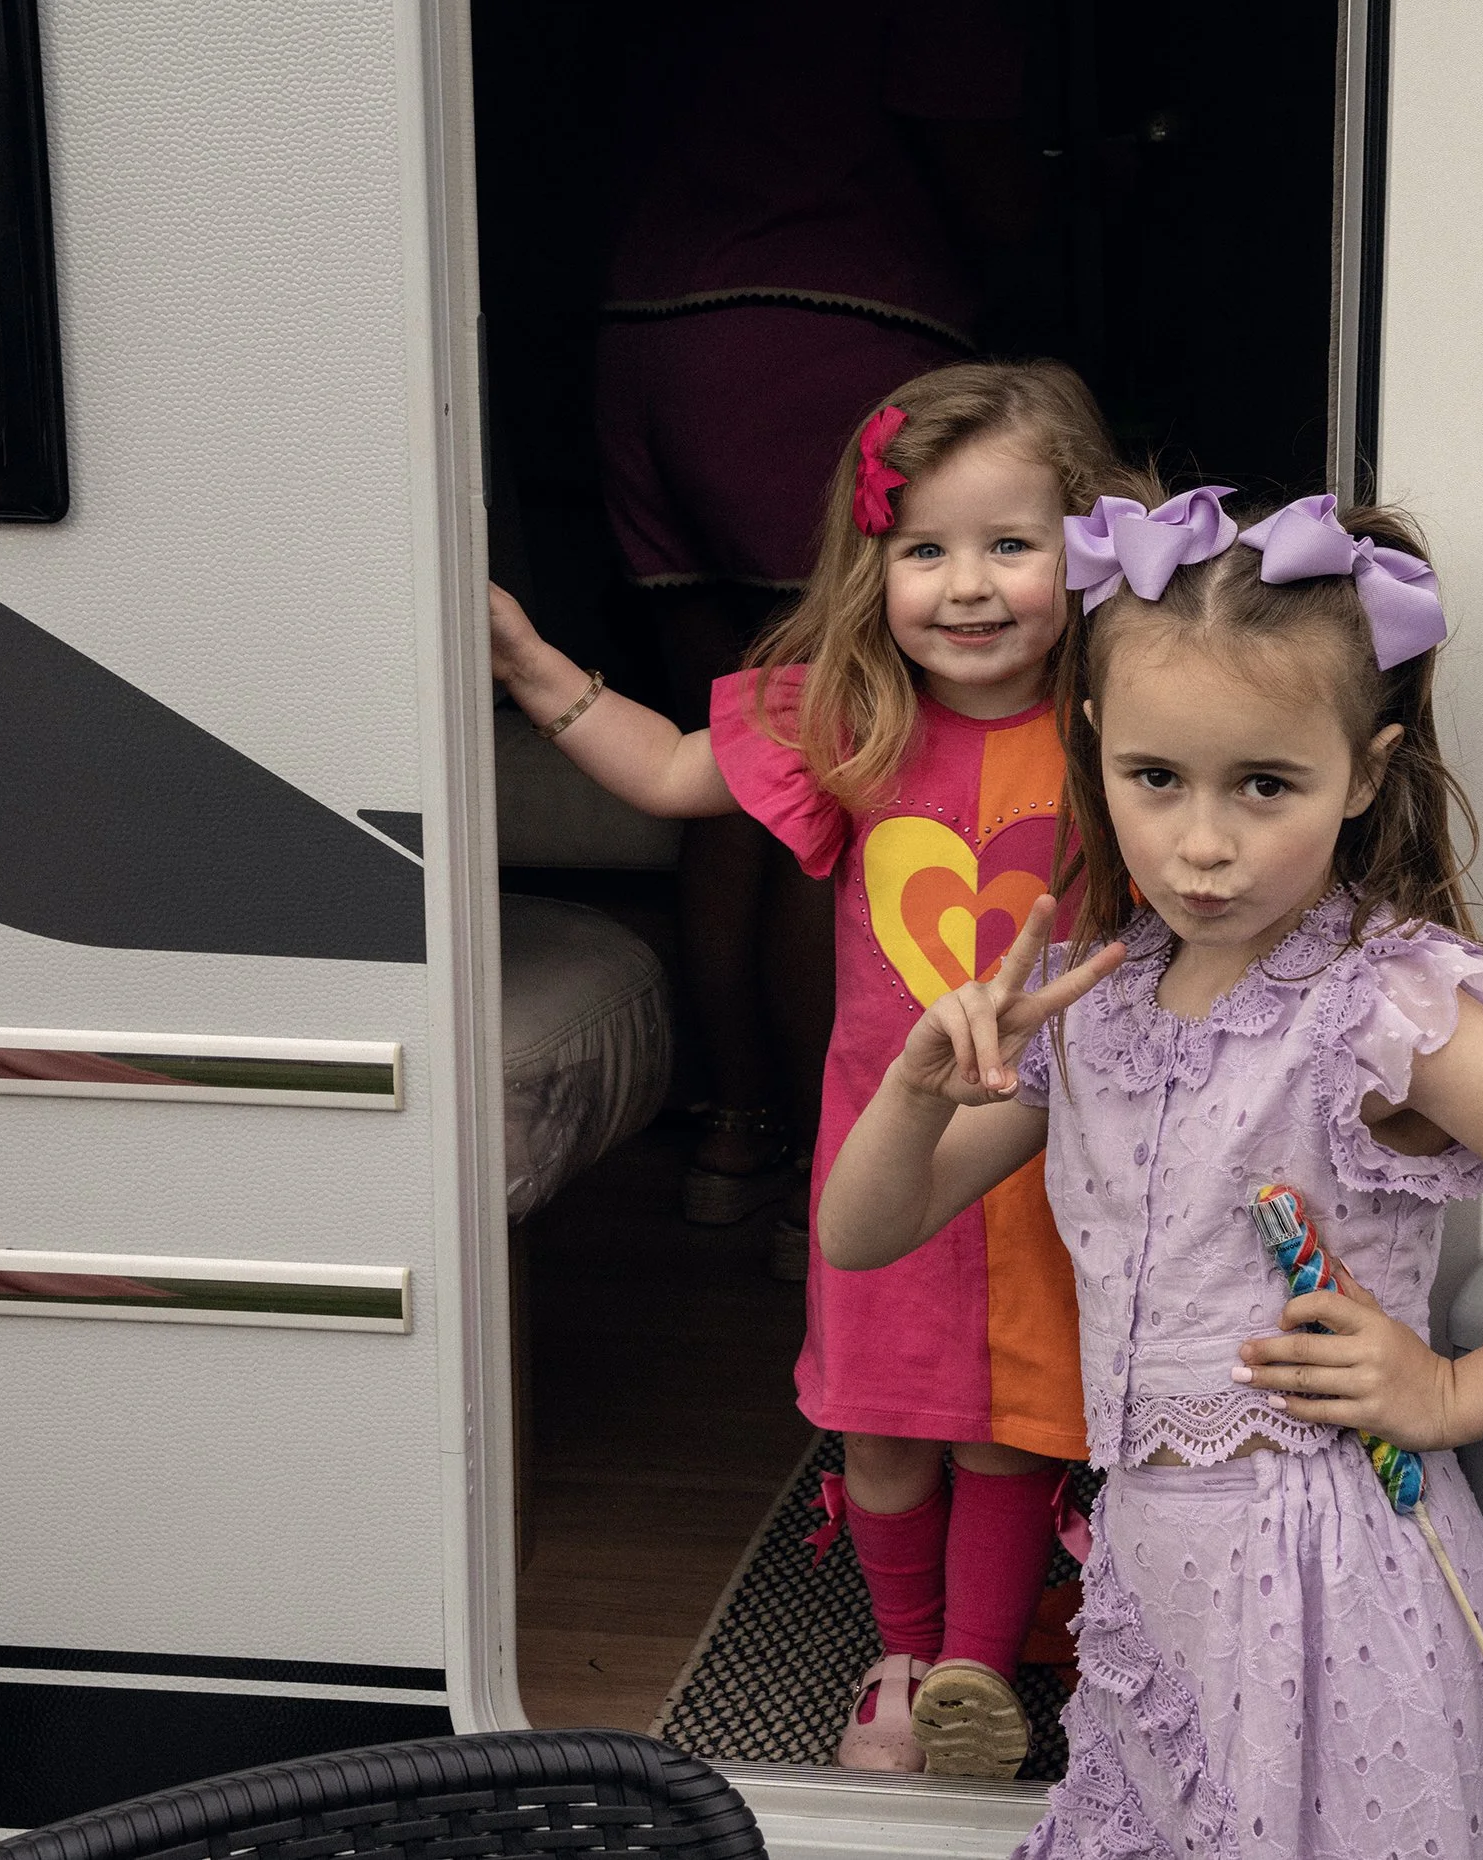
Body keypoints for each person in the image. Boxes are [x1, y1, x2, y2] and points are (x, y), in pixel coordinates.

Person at [817, 484, 1483, 1857]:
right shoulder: (1095, 999)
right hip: (1151, 1570)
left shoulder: (1378, 1008)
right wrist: (913, 1094)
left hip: (1321, 1588)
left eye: (1264, 786)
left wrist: (1452, 1393)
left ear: (1365, 775)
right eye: (1155, 779)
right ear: (1091, 747)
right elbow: (865, 1231)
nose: (1202, 844)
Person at [491, 361, 1131, 1778]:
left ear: (1087, 547)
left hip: (1047, 1154)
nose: (968, 588)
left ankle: (974, 1674)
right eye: (925, 551)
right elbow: (671, 772)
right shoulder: (851, 714)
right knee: (887, 1426)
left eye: (1010, 545)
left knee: (1012, 1428)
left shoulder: (1121, 727)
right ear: (872, 566)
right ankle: (901, 1656)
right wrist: (532, 665)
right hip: (883, 1161)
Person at [595, 1, 1039, 1236]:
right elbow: (986, 174)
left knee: (748, 753)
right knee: (849, 763)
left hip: (644, 333)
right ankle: (830, 1173)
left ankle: (735, 1131)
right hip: (828, 325)